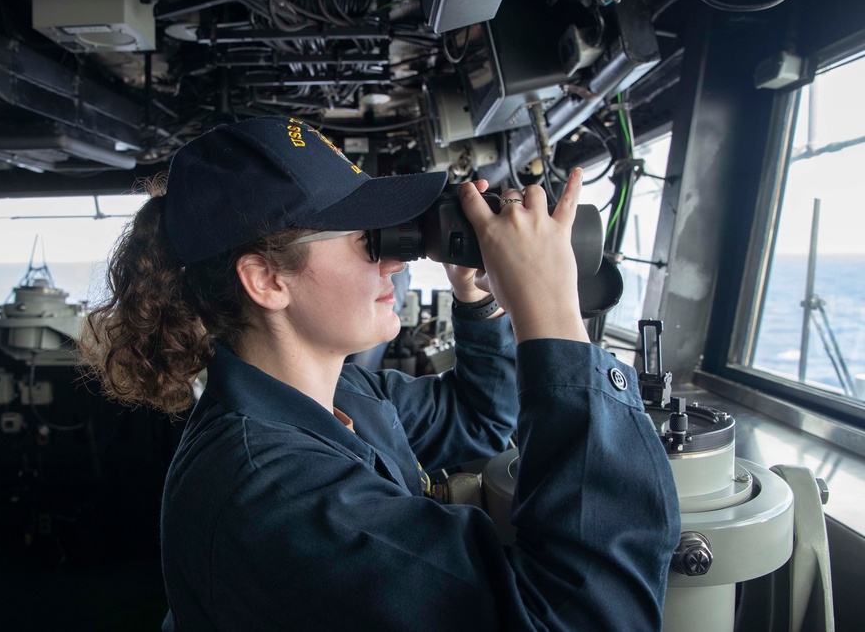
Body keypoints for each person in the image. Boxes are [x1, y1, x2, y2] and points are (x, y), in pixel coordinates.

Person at [80, 115, 680, 631]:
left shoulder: (340, 394)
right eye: (367, 239)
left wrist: (480, 301)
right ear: (267, 280)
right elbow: (581, 618)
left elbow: (478, 419)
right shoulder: (273, 498)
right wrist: (551, 316)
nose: (396, 258)